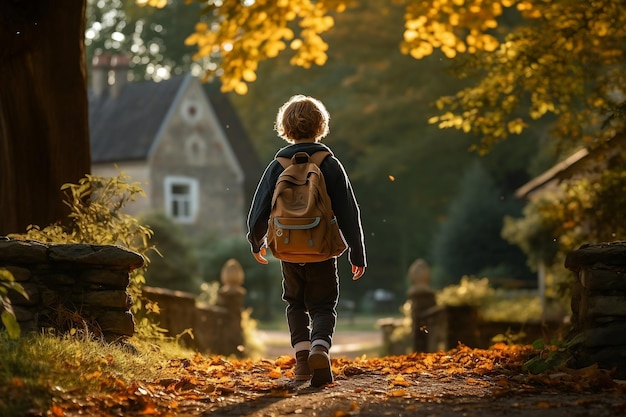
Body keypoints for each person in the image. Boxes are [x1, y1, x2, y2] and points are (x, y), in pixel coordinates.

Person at [247, 94, 367, 387]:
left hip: (287, 249)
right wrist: (357, 252)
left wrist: (256, 240)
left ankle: (302, 361)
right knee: (323, 305)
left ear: (285, 128)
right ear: (321, 126)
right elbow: (349, 210)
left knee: (295, 303)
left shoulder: (278, 165)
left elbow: (260, 207)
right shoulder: (330, 164)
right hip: (323, 250)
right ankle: (319, 348)